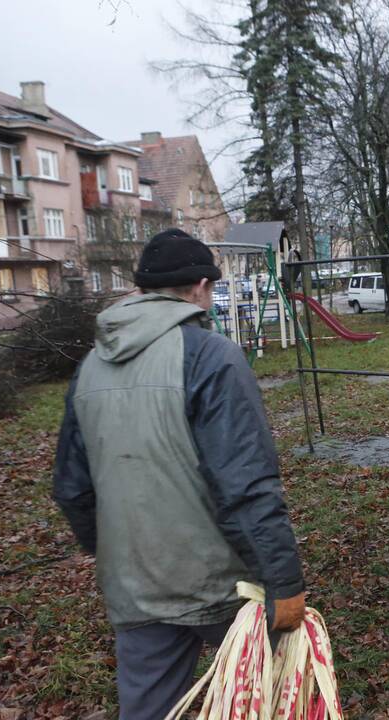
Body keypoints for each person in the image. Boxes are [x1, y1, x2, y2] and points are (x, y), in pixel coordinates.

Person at [53, 229, 306, 720]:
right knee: (269, 699)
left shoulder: (89, 368)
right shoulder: (212, 356)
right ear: (198, 288)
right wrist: (284, 582)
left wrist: (118, 556)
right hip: (222, 587)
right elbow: (247, 488)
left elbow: (72, 490)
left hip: (136, 590)